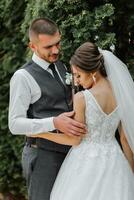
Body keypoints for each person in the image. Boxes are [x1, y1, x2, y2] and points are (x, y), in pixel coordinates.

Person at [32, 42, 134, 200]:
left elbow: (75, 139)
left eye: (78, 75)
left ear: (92, 71)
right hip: (115, 161)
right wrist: (131, 173)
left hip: (86, 164)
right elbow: (125, 139)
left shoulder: (82, 98)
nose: (77, 81)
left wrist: (41, 133)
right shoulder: (120, 93)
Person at [8, 18, 86, 200]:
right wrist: (54, 122)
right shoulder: (22, 77)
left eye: (58, 43)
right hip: (43, 156)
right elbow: (14, 124)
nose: (56, 50)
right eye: (48, 47)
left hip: (71, 152)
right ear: (32, 46)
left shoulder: (61, 66)